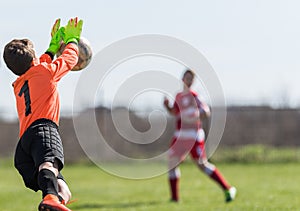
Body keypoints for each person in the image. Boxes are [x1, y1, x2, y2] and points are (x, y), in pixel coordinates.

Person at [3, 17, 83, 211]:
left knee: (62, 190)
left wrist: (52, 48)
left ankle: (53, 204)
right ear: (33, 59)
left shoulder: (19, 83)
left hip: (24, 145)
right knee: (48, 165)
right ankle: (50, 199)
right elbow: (69, 60)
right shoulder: (45, 72)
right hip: (44, 131)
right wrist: (72, 41)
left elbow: (38, 65)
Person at [163, 69, 236, 203]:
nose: (188, 81)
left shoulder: (194, 96)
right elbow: (174, 112)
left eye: (191, 79)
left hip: (193, 135)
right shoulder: (178, 96)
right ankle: (174, 199)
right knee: (172, 163)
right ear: (182, 79)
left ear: (193, 81)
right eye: (187, 78)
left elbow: (206, 111)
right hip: (180, 135)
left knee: (202, 164)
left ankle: (227, 188)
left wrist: (194, 116)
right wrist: (167, 106)